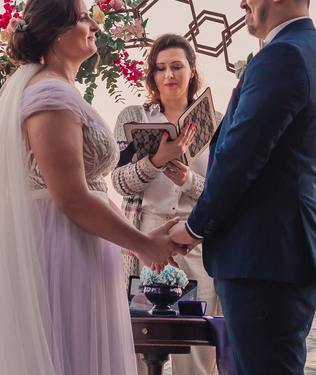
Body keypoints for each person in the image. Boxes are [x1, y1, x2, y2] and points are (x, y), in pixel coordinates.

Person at [0, 0, 187, 375]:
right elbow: (70, 196)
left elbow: (92, 188)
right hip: (59, 247)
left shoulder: (62, 90)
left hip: (80, 244)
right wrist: (143, 242)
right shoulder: (49, 93)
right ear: (57, 33)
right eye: (82, 17)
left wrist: (140, 249)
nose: (93, 24)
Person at [170, 0, 316, 375]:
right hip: (278, 254)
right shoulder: (305, 51)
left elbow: (241, 158)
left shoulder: (283, 55)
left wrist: (191, 228)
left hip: (267, 256)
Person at [111, 33, 225, 375]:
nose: (169, 75)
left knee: (196, 355)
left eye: (177, 66)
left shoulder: (218, 123)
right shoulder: (134, 116)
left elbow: (225, 195)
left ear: (192, 71)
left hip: (199, 243)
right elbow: (117, 181)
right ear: (151, 74)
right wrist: (158, 160)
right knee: (144, 345)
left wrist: (188, 180)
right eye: (160, 68)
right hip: (145, 241)